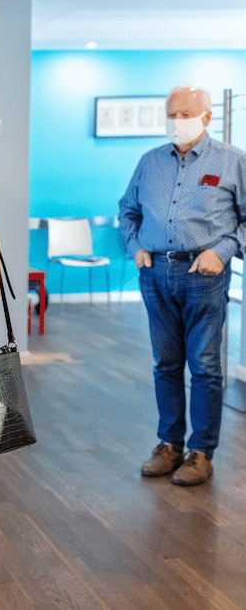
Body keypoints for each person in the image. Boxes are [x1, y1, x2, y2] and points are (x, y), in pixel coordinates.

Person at [118, 84, 246, 486]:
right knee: (166, 364)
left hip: (204, 275)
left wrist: (222, 252)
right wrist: (136, 247)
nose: (177, 120)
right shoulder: (150, 161)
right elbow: (127, 212)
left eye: (185, 113)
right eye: (171, 114)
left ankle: (201, 452)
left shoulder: (232, 161)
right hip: (155, 273)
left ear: (206, 117)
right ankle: (168, 445)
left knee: (205, 366)